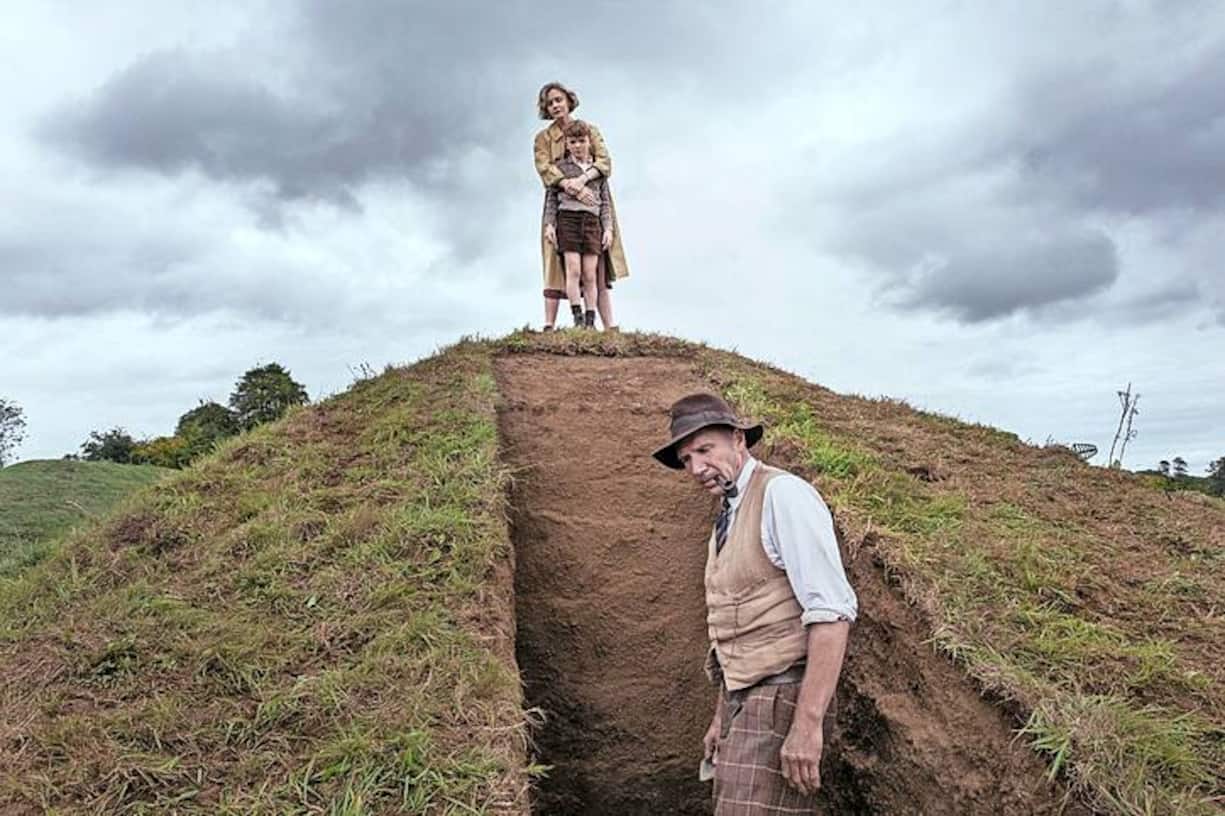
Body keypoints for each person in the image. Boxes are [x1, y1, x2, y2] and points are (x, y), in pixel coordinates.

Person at [652, 393, 858, 814]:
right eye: (687, 459)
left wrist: (807, 725)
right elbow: (739, 625)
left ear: (738, 439)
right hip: (746, 702)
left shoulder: (782, 495)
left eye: (705, 450)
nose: (696, 468)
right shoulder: (729, 512)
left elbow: (832, 614)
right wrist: (722, 716)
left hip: (782, 698)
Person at [533, 81, 630, 330]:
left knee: (596, 268)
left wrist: (583, 180)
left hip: (592, 201)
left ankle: (606, 325)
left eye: (559, 100)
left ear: (568, 100)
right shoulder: (543, 138)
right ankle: (550, 324)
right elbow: (545, 169)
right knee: (558, 263)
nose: (555, 106)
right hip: (561, 203)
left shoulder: (590, 130)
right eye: (550, 103)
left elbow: (605, 162)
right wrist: (569, 185)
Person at [543, 120, 612, 328]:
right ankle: (577, 317)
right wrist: (549, 224)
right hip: (568, 219)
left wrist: (608, 228)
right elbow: (551, 199)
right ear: (567, 144)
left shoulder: (597, 171)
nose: (577, 146)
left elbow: (605, 202)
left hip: (591, 222)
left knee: (590, 273)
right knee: (573, 270)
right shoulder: (561, 168)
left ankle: (590, 319)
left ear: (589, 142)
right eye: (573, 142)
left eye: (581, 141)